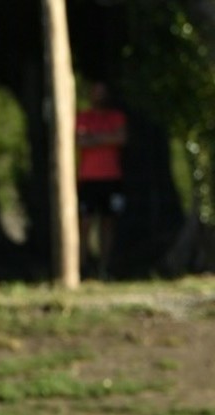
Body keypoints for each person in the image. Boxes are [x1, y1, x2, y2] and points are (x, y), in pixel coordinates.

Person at [76, 81, 128, 279]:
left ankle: (104, 267)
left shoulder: (116, 117)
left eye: (102, 92)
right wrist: (107, 138)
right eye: (95, 92)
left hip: (111, 178)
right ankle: (82, 267)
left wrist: (93, 138)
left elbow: (121, 138)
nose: (98, 96)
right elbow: (79, 140)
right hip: (88, 179)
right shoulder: (83, 117)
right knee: (85, 223)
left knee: (108, 223)